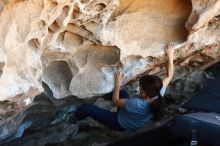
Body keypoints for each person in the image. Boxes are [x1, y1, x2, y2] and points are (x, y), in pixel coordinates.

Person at [56, 43, 174, 131]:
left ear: (143, 93)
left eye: (140, 87)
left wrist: (117, 83)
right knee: (122, 93)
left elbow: (115, 101)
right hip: (130, 116)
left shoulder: (138, 104)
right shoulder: (158, 93)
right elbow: (170, 75)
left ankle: (74, 117)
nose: (139, 87)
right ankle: (99, 97)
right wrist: (170, 55)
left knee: (88, 108)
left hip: (119, 122)